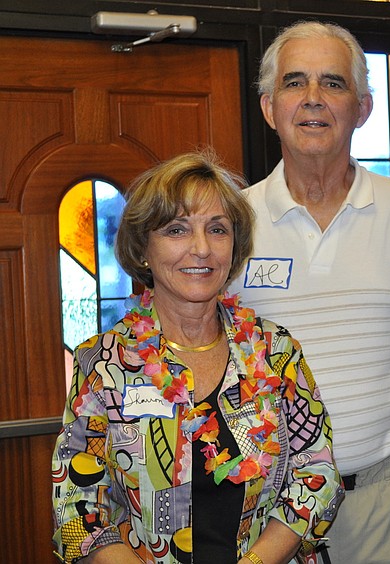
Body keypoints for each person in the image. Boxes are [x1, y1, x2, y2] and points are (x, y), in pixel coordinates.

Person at [51, 152, 342, 564]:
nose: (202, 249)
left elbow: (318, 475)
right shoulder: (103, 364)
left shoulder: (275, 351)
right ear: (143, 247)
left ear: (234, 247)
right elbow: (77, 508)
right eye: (177, 229)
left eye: (217, 229)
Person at [227, 21, 390, 564]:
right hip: (268, 504)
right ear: (269, 107)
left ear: (363, 108)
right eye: (294, 82)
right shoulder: (231, 223)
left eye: (333, 83)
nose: (313, 98)